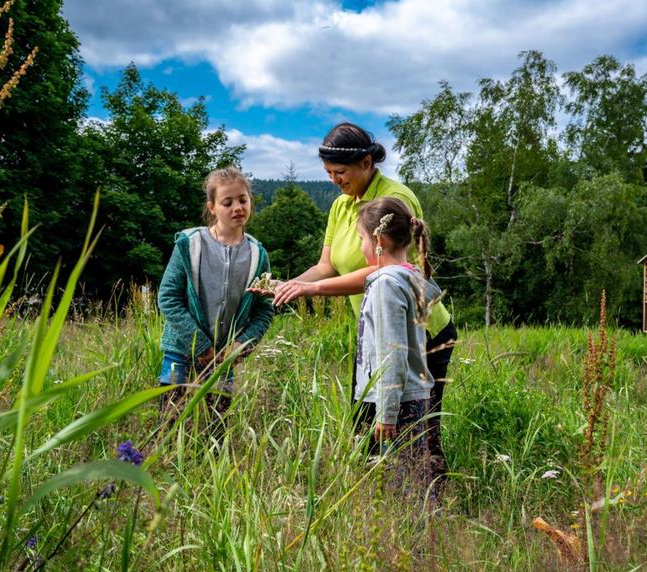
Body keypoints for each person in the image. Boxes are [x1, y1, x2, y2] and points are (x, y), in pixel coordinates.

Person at [270, 122, 457, 494]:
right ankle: (383, 504)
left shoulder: (393, 199)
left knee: (416, 430)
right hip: (377, 336)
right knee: (367, 425)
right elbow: (327, 265)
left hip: (418, 334)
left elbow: (385, 271)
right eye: (327, 174)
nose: (335, 181)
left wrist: (312, 289)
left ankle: (432, 508)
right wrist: (290, 285)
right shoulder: (341, 206)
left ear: (367, 162)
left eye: (340, 173)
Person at [157, 165, 274, 432]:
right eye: (227, 202)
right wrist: (199, 345)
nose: (237, 208)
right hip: (181, 352)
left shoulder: (258, 254)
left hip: (223, 358)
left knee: (215, 432)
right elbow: (168, 298)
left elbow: (264, 310)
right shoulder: (190, 244)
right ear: (212, 207)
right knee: (169, 426)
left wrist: (242, 344)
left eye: (243, 200)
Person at [354, 197, 441, 495]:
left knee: (403, 487)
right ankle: (421, 535)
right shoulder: (410, 278)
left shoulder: (386, 284)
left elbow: (393, 351)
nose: (361, 247)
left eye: (362, 240)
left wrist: (386, 412)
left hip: (396, 402)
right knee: (413, 478)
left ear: (378, 240)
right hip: (412, 398)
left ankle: (413, 540)